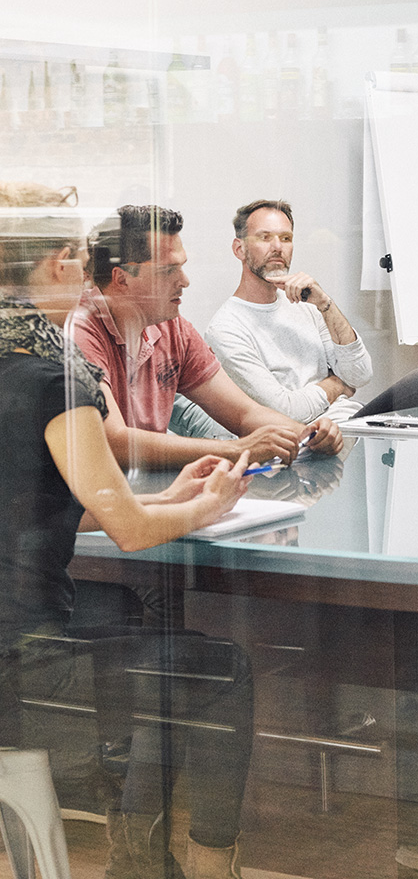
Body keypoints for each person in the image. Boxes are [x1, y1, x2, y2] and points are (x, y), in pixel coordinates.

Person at [0, 211, 255, 879]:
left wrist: (169, 499)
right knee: (220, 672)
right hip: (27, 677)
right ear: (59, 264)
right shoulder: (53, 380)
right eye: (78, 260)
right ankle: (209, 866)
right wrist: (210, 504)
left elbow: (47, 511)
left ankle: (137, 851)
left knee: (151, 648)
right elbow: (128, 532)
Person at [70, 205, 343, 469]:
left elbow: (244, 413)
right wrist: (237, 450)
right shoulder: (80, 331)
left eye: (181, 266)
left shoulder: (173, 328)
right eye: (168, 270)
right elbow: (113, 442)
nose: (184, 281)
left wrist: (308, 435)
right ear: (121, 278)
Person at [205, 199, 418, 423]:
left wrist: (324, 304)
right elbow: (287, 411)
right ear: (239, 249)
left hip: (352, 421)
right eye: (265, 237)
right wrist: (336, 384)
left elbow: (360, 374)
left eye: (286, 238)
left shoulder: (306, 306)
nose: (278, 247)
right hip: (311, 439)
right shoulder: (226, 328)